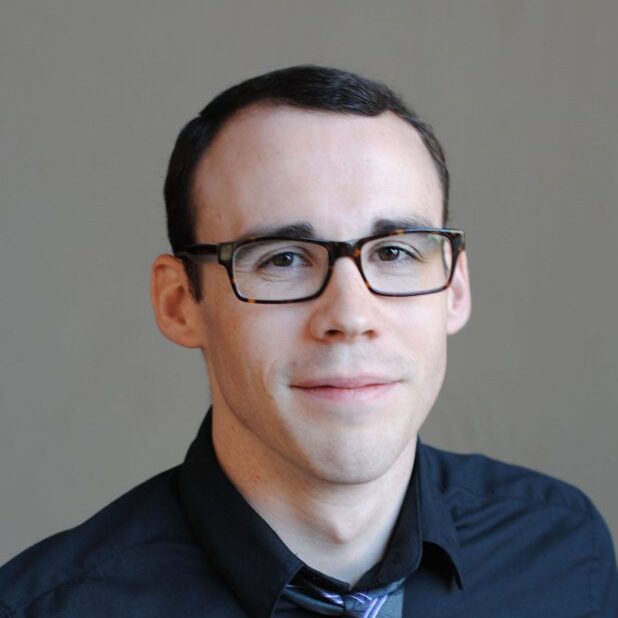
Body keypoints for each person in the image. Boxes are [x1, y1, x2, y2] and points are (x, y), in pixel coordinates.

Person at [0, 65, 616, 617]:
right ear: (180, 303)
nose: (350, 315)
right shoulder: (48, 607)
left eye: (396, 251)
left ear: (455, 288)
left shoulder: (562, 549)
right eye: (284, 259)